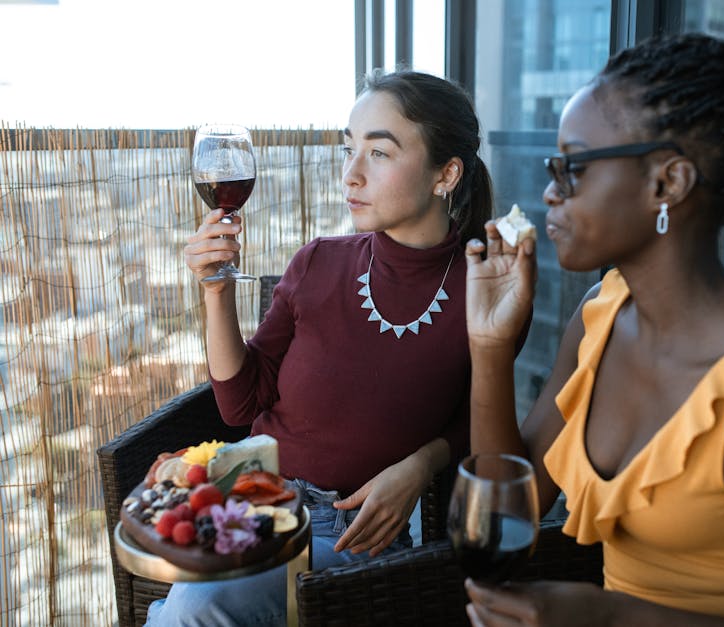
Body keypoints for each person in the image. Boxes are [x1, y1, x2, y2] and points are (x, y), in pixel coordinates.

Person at [463, 4, 724, 626]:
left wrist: (613, 619)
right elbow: (511, 508)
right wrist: (489, 347)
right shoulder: (601, 316)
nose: (552, 190)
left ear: (668, 183)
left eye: (574, 166)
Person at [147, 69, 503, 626]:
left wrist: (420, 465)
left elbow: (484, 419)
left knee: (193, 612)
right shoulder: (318, 262)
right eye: (348, 148)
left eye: (379, 153)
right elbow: (241, 405)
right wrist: (215, 291)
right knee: (193, 610)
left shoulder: (486, 287)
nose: (351, 173)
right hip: (258, 500)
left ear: (446, 173)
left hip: (361, 531)